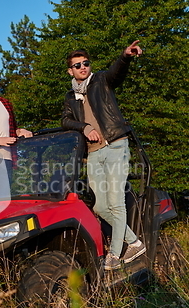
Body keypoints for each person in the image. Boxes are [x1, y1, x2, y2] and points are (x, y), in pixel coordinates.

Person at [61, 40, 146, 270]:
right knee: (99, 207)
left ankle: (115, 255)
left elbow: (116, 73)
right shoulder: (71, 97)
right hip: (94, 154)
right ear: (71, 70)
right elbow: (65, 120)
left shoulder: (100, 81)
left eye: (85, 63)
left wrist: (125, 56)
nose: (83, 67)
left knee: (117, 204)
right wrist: (84, 127)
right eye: (77, 65)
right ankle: (134, 242)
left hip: (116, 145)